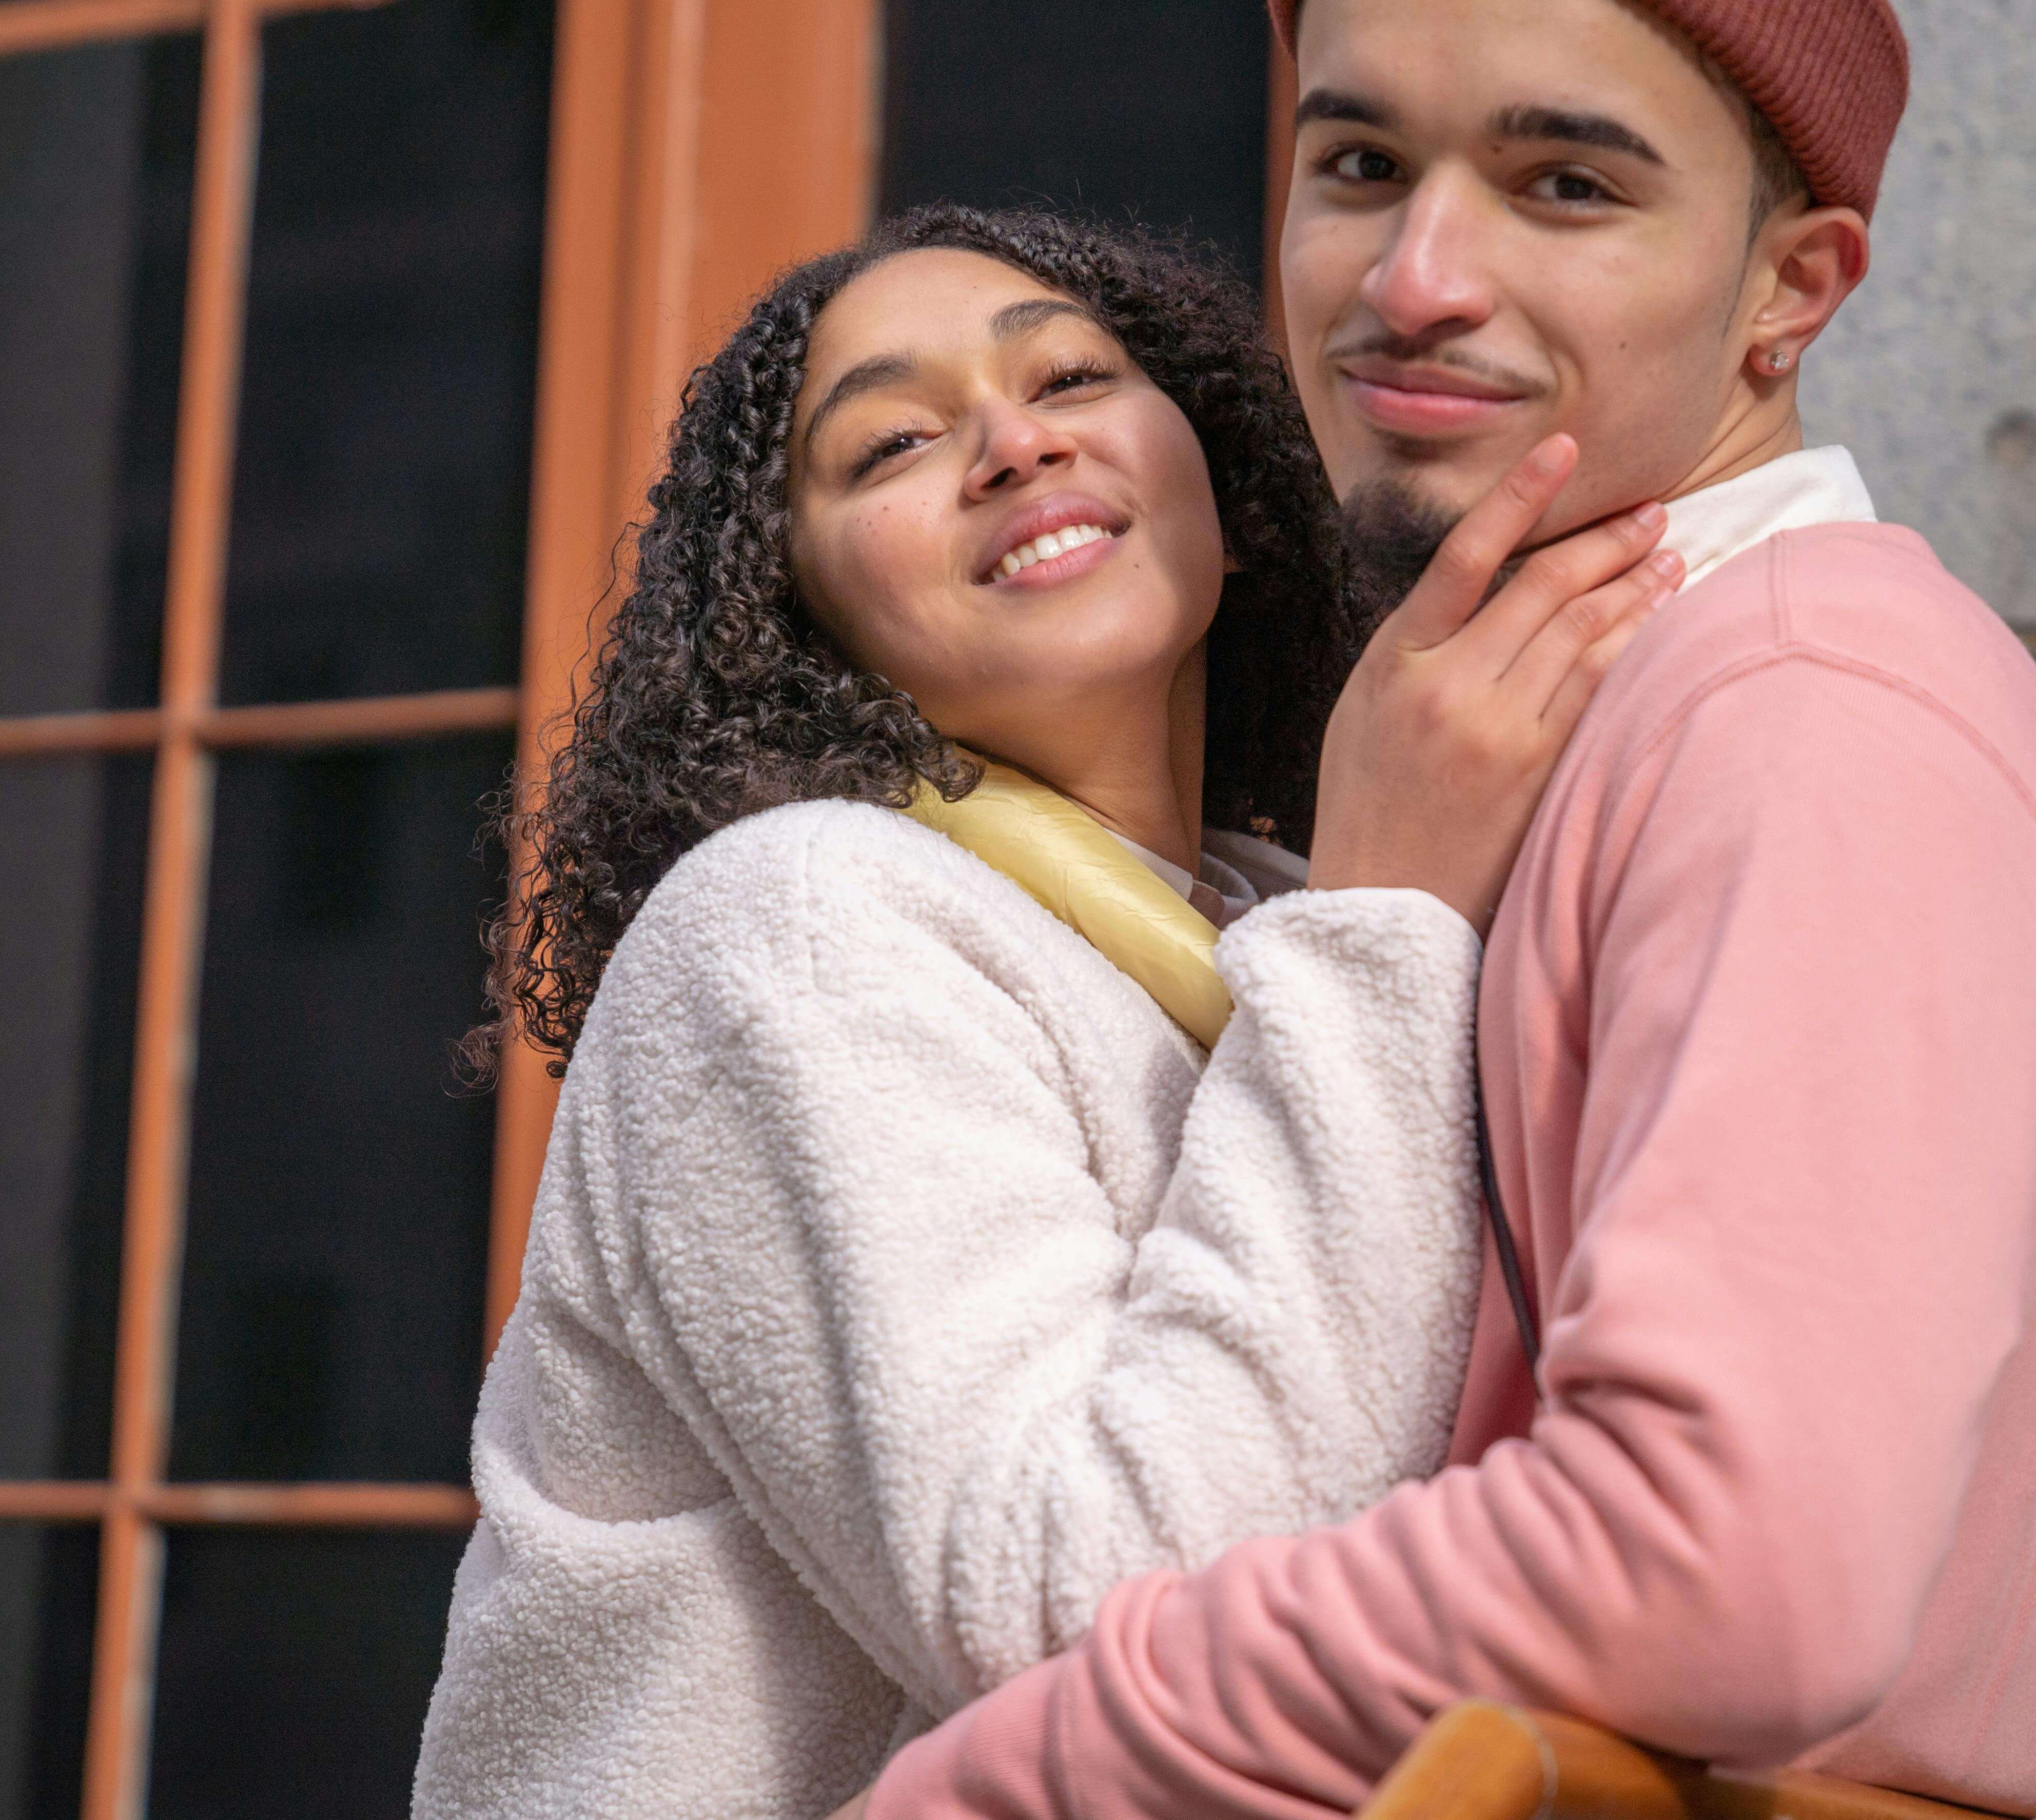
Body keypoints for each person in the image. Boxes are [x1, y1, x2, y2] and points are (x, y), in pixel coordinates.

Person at [846, 0, 2036, 1818]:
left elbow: (1729, 1561)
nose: (1415, 275)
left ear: (1793, 289)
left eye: (1564, 187)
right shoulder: (1551, 711)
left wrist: (998, 1781)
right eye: (1359, 161)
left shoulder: (1810, 707)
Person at [411, 204, 1678, 1818]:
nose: (1015, 443)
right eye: (890, 447)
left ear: (1219, 481)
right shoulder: (792, 926)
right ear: (796, 619)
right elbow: (1089, 1619)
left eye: (1072, 376)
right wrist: (1391, 919)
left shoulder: (1274, 915)